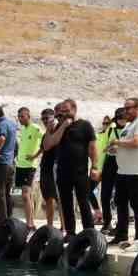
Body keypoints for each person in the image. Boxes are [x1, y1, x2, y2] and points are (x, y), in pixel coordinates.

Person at [42, 99, 99, 234]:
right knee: (66, 203)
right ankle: (70, 232)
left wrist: (95, 167)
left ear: (74, 109)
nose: (64, 114)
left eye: (67, 111)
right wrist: (60, 127)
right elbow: (47, 145)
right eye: (61, 112)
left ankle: (89, 231)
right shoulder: (58, 127)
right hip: (63, 171)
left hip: (80, 171)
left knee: (83, 201)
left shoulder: (85, 125)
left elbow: (93, 148)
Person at [108, 96, 138, 246]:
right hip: (123, 171)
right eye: (125, 108)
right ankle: (121, 235)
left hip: (137, 172)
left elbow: (137, 142)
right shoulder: (129, 125)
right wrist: (115, 149)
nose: (125, 111)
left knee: (136, 204)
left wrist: (117, 142)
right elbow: (126, 144)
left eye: (128, 108)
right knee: (120, 203)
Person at [96, 108, 125, 231]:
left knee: (121, 196)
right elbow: (103, 149)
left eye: (123, 117)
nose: (121, 120)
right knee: (105, 195)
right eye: (119, 117)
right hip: (110, 163)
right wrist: (99, 168)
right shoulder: (111, 130)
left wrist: (118, 149)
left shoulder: (130, 129)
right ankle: (107, 222)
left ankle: (121, 224)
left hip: (123, 164)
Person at [15, 106, 42, 228]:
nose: (20, 119)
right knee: (27, 195)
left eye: (22, 116)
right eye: (19, 117)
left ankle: (30, 223)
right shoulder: (23, 130)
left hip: (30, 166)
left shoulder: (36, 128)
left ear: (28, 116)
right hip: (20, 165)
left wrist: (36, 155)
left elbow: (46, 140)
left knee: (26, 195)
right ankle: (30, 222)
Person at [35, 108, 59, 228]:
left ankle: (63, 228)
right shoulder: (46, 133)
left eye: (47, 118)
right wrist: (34, 156)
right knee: (48, 198)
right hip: (45, 168)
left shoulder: (58, 131)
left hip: (54, 169)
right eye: (43, 119)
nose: (44, 121)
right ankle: (50, 225)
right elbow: (43, 148)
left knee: (57, 199)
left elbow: (48, 146)